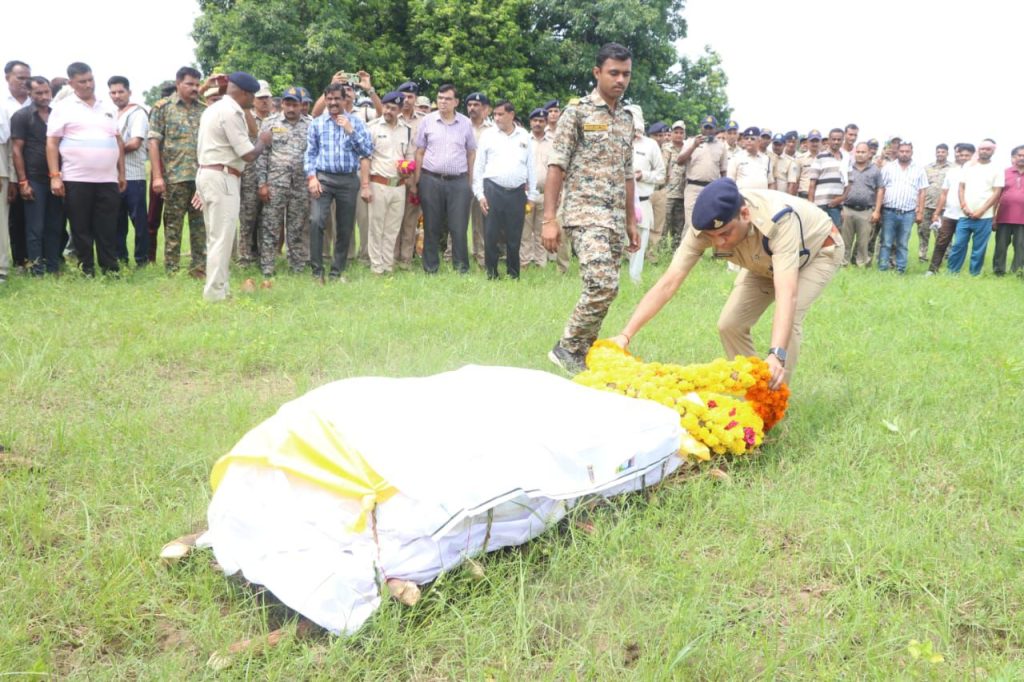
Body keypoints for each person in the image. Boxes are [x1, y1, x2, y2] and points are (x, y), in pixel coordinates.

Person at [612, 178, 843, 388]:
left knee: (790, 320)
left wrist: (776, 354)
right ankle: (755, 386)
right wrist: (625, 335)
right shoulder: (705, 230)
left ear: (744, 213)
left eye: (724, 234)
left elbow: (786, 293)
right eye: (712, 237)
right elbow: (668, 283)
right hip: (762, 259)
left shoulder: (779, 220)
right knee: (729, 324)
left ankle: (775, 398)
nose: (719, 244)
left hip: (816, 252)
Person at [542, 42, 639, 372]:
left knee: (608, 289)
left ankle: (581, 351)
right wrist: (549, 219)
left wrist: (630, 220)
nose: (620, 80)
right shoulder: (577, 113)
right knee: (601, 283)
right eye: (613, 73)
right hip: (584, 213)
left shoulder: (627, 119)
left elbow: (627, 173)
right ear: (597, 72)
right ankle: (566, 347)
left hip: (613, 218)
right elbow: (557, 165)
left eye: (626, 74)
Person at [194, 72, 272, 301]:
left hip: (209, 173)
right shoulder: (230, 112)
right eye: (252, 96)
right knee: (222, 238)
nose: (253, 102)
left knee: (215, 236)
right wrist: (263, 142)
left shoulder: (213, 108)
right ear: (244, 93)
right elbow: (247, 154)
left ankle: (221, 287)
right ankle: (216, 294)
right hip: (223, 177)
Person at [45, 62, 126, 276]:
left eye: (91, 79)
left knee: (107, 226)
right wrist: (55, 176)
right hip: (76, 178)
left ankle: (110, 268)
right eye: (83, 81)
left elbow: (117, 141)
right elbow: (52, 143)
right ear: (71, 83)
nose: (88, 85)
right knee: (81, 227)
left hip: (108, 178)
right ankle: (86, 268)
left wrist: (121, 173)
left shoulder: (107, 106)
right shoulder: (62, 108)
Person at [305, 82, 373, 281]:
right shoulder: (317, 123)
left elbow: (366, 151)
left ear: (345, 100)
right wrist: (311, 178)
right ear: (325, 100)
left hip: (348, 180)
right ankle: (317, 272)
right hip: (323, 179)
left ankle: (336, 270)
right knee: (316, 220)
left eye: (337, 98)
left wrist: (350, 130)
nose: (333, 102)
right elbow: (310, 154)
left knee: (345, 227)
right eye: (330, 99)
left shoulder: (356, 122)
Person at [148, 66, 206, 275]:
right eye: (190, 84)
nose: (195, 88)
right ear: (178, 83)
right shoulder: (162, 108)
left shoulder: (203, 109)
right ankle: (171, 270)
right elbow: (153, 143)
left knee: (200, 227)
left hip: (200, 179)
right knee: (173, 227)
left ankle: (199, 268)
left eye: (197, 84)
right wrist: (157, 176)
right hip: (174, 177)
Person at [413, 84, 476, 274]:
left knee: (458, 227)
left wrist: (470, 182)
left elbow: (471, 153)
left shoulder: (465, 123)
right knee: (431, 225)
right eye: (440, 98)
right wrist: (417, 181)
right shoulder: (428, 121)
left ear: (456, 102)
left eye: (447, 99)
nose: (443, 102)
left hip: (458, 182)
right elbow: (420, 152)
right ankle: (431, 268)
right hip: (431, 179)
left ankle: (461, 268)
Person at [472, 100, 536, 279]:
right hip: (492, 189)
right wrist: (479, 194)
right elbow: (479, 166)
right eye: (495, 115)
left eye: (501, 114)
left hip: (517, 192)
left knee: (515, 236)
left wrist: (531, 195)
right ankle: (491, 273)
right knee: (491, 234)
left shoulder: (524, 135)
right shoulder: (488, 135)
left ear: (511, 115)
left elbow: (530, 166)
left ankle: (513, 274)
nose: (497, 118)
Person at [256, 86, 311, 279]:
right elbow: (262, 155)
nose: (291, 108)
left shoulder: (310, 124)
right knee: (270, 226)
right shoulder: (269, 123)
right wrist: (262, 184)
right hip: (275, 184)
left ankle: (296, 266)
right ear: (282, 104)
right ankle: (268, 267)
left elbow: (313, 154)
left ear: (301, 105)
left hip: (300, 185)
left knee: (296, 227)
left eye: (294, 104)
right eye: (287, 104)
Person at [11, 76, 64, 275]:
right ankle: (36, 269)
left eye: (46, 92)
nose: (44, 97)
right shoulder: (22, 116)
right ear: (29, 93)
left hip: (56, 177)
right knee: (35, 227)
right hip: (34, 179)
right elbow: (16, 150)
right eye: (39, 93)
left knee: (55, 225)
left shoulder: (57, 114)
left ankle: (53, 266)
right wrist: (23, 181)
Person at [362, 90, 413, 275]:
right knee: (376, 228)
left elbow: (409, 156)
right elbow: (365, 158)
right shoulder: (372, 127)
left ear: (400, 110)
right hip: (378, 183)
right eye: (386, 106)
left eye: (392, 108)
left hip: (398, 185)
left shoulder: (406, 130)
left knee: (392, 229)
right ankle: (376, 267)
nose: (388, 111)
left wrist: (408, 169)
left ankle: (387, 264)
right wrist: (365, 186)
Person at [107, 76, 149, 267]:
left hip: (134, 176)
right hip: (112, 176)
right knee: (116, 223)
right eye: (113, 92)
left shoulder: (137, 113)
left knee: (139, 222)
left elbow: (135, 142)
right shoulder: (110, 114)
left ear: (129, 92)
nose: (117, 96)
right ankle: (121, 259)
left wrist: (109, 149)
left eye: (120, 91)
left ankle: (142, 260)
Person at [947, 139, 1003, 276]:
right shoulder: (968, 166)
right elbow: (961, 187)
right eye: (982, 148)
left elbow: (997, 192)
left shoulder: (997, 169)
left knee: (979, 248)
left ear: (993, 151)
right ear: (978, 150)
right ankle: (952, 272)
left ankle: (974, 274)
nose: (984, 151)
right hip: (964, 214)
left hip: (984, 217)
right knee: (958, 245)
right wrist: (964, 206)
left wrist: (981, 211)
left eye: (988, 149)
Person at [622, 105, 664, 282]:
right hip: (618, 203)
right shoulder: (614, 140)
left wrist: (643, 175)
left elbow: (661, 175)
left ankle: (634, 280)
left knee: (640, 242)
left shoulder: (650, 145)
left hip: (643, 204)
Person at [237, 79, 274, 267]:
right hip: (250, 175)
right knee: (248, 216)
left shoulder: (276, 119)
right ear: (253, 99)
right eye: (260, 98)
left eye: (267, 97)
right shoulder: (244, 117)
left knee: (266, 218)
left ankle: (262, 256)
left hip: (271, 175)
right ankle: (244, 257)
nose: (264, 101)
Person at [878, 142, 927, 273]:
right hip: (889, 211)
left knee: (903, 243)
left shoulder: (919, 169)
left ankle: (900, 269)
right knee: (886, 242)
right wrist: (877, 210)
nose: (904, 154)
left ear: (912, 152)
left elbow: (922, 191)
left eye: (907, 151)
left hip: (908, 213)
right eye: (902, 151)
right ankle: (882, 268)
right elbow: (881, 189)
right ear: (897, 152)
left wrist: (920, 212)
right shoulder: (888, 168)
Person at [927, 143, 974, 275]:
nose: (963, 157)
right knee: (941, 242)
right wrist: (937, 212)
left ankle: (953, 271)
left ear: (972, 156)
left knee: (959, 244)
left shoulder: (976, 172)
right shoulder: (952, 171)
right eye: (960, 154)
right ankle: (932, 269)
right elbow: (944, 193)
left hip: (965, 215)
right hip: (949, 214)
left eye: (967, 155)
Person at [677, 115, 728, 233]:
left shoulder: (721, 146)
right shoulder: (690, 142)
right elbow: (679, 161)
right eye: (706, 128)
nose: (708, 131)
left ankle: (704, 251)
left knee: (709, 223)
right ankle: (686, 250)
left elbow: (723, 171)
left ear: (715, 129)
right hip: (693, 187)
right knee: (690, 224)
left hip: (711, 189)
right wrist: (694, 146)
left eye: (711, 128)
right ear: (701, 127)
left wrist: (723, 190)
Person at [4, 60, 32, 273]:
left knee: (36, 217)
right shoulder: (3, 104)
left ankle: (40, 259)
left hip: (37, 169)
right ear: (7, 78)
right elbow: (8, 146)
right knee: (14, 218)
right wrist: (14, 178)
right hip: (9, 169)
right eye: (19, 78)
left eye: (27, 78)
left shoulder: (37, 102)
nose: (25, 82)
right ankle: (19, 261)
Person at [394, 81, 425, 269]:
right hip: (393, 178)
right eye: (403, 96)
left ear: (415, 99)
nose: (406, 100)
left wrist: (416, 182)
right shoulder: (390, 116)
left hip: (415, 178)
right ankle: (391, 257)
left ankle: (406, 260)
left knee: (410, 221)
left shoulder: (424, 120)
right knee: (393, 220)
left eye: (410, 97)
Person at [840, 143, 884, 266]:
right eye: (858, 152)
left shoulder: (875, 170)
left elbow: (880, 189)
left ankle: (861, 265)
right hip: (847, 209)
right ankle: (843, 264)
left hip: (866, 211)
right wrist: (841, 207)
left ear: (869, 153)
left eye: (863, 152)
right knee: (845, 241)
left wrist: (877, 211)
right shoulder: (848, 167)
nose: (860, 154)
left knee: (863, 242)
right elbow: (841, 187)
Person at [520, 107, 551, 268]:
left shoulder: (552, 143)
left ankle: (541, 263)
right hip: (526, 194)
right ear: (530, 122)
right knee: (525, 231)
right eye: (535, 120)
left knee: (542, 231)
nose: (538, 123)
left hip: (546, 194)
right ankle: (524, 262)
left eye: (541, 121)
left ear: (546, 123)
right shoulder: (523, 140)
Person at [992, 145, 1024, 276]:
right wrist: (993, 217)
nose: (1022, 158)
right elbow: (995, 196)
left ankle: (1018, 272)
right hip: (1003, 217)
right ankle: (998, 271)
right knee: (1000, 247)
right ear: (1013, 158)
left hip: (1022, 220)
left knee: (1021, 247)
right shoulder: (1003, 173)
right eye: (1019, 155)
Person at [807, 128, 848, 228]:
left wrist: (841, 198)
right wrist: (811, 206)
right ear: (829, 140)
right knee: (818, 235)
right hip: (819, 205)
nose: (836, 142)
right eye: (833, 139)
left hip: (836, 206)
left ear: (843, 140)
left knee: (835, 236)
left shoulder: (846, 159)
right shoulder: (820, 157)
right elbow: (812, 185)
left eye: (839, 139)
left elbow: (849, 183)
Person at [919, 144, 952, 262]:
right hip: (927, 205)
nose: (940, 154)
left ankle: (946, 256)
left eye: (943, 152)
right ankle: (922, 256)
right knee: (923, 232)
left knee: (943, 234)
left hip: (944, 207)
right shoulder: (927, 168)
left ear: (947, 153)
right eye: (938, 152)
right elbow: (921, 187)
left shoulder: (953, 168)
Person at [662, 120, 687, 250]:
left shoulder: (688, 148)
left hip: (682, 193)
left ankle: (675, 251)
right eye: (676, 132)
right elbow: (662, 169)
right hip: (668, 192)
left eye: (681, 132)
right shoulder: (666, 148)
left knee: (679, 225)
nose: (678, 135)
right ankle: (660, 250)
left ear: (684, 134)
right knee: (664, 224)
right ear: (671, 133)